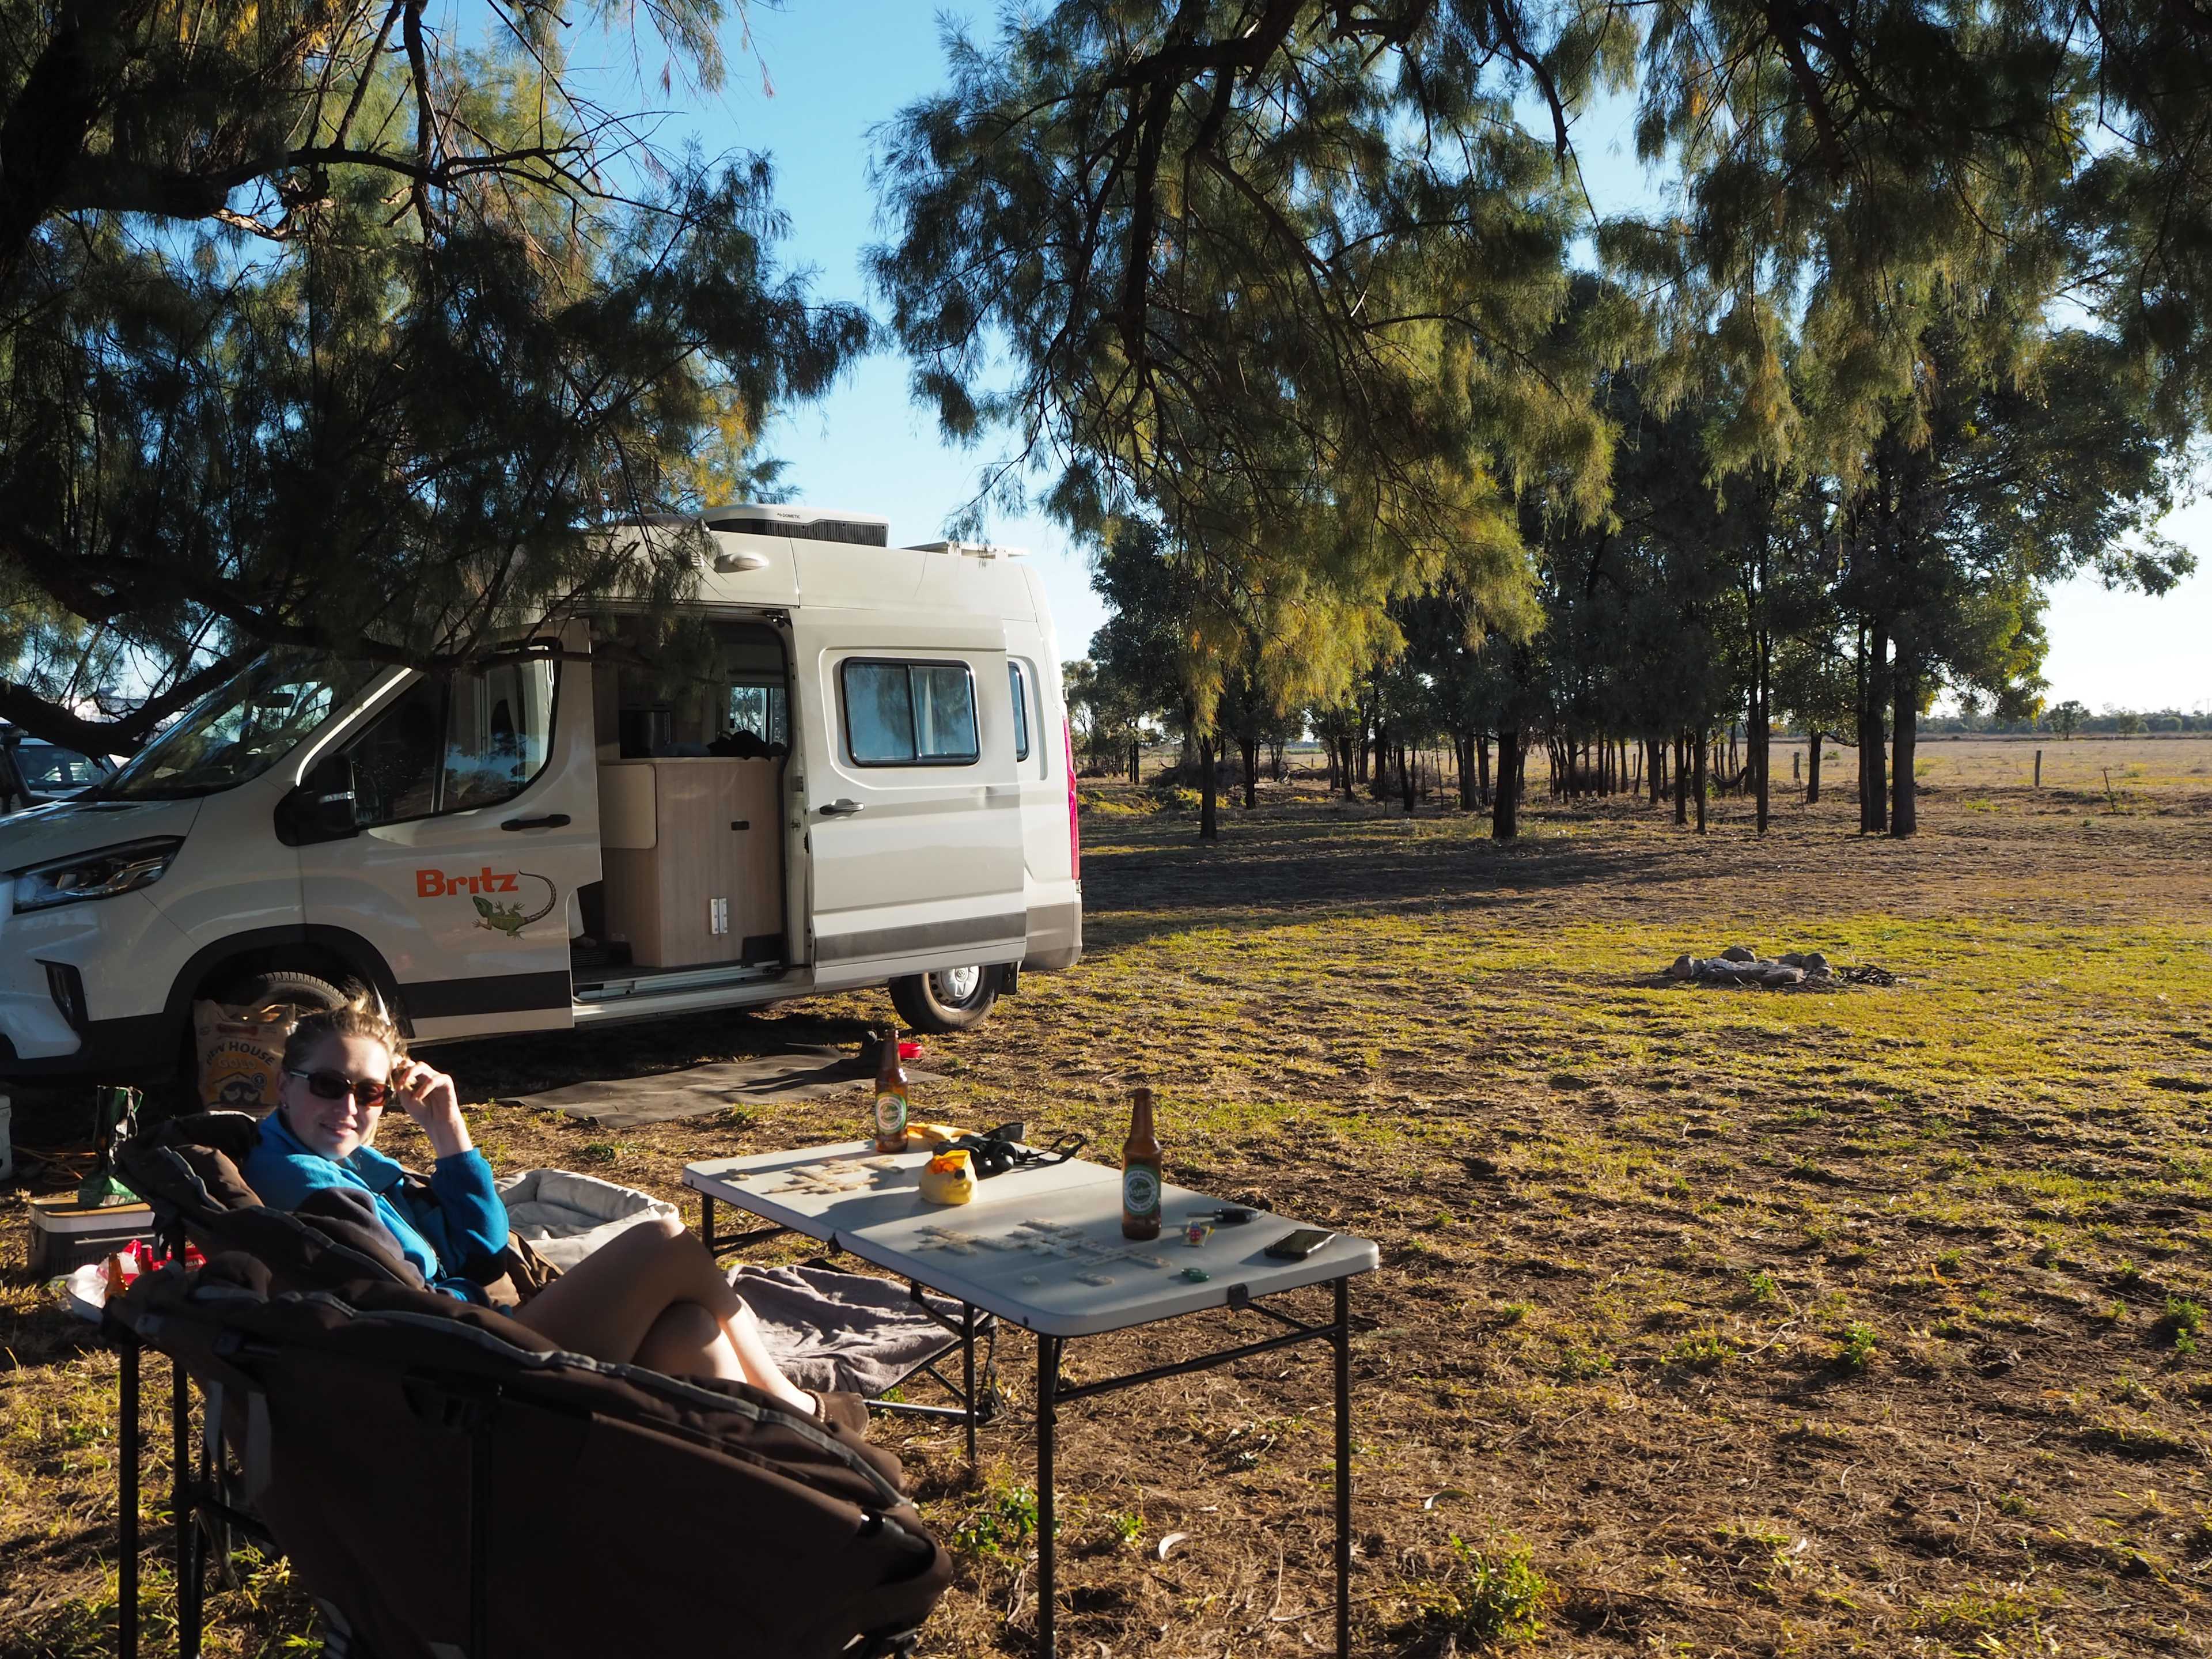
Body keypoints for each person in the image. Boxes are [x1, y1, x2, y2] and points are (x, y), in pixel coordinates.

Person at [245, 1001, 819, 1414]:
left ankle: (751, 1477)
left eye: (369, 1092)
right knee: (664, 1240)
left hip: (481, 1337)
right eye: (328, 1085)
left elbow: (484, 1251)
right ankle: (797, 1412)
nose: (350, 1106)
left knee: (688, 1327)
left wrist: (450, 1133)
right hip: (469, 1372)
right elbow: (414, 1296)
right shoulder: (301, 1179)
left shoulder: (352, 1163)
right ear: (283, 1086)